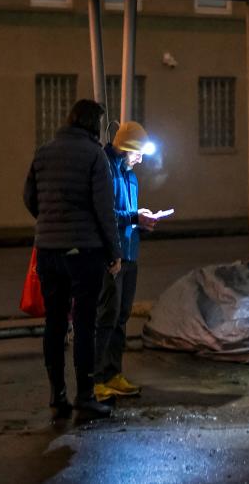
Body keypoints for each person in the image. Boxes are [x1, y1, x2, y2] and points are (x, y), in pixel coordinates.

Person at [23, 99, 122, 421]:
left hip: (48, 252)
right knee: (84, 324)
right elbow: (103, 209)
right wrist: (114, 252)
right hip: (84, 252)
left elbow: (30, 197)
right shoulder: (94, 155)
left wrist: (50, 223)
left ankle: (57, 397)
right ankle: (85, 396)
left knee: (54, 322)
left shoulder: (43, 151)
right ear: (94, 125)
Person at [94, 121, 160, 401]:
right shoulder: (107, 170)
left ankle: (113, 373)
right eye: (138, 153)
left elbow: (124, 212)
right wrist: (134, 217)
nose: (141, 159)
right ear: (126, 148)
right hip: (113, 256)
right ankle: (98, 380)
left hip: (130, 253)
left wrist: (139, 216)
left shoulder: (129, 175)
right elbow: (105, 214)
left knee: (120, 316)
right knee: (106, 317)